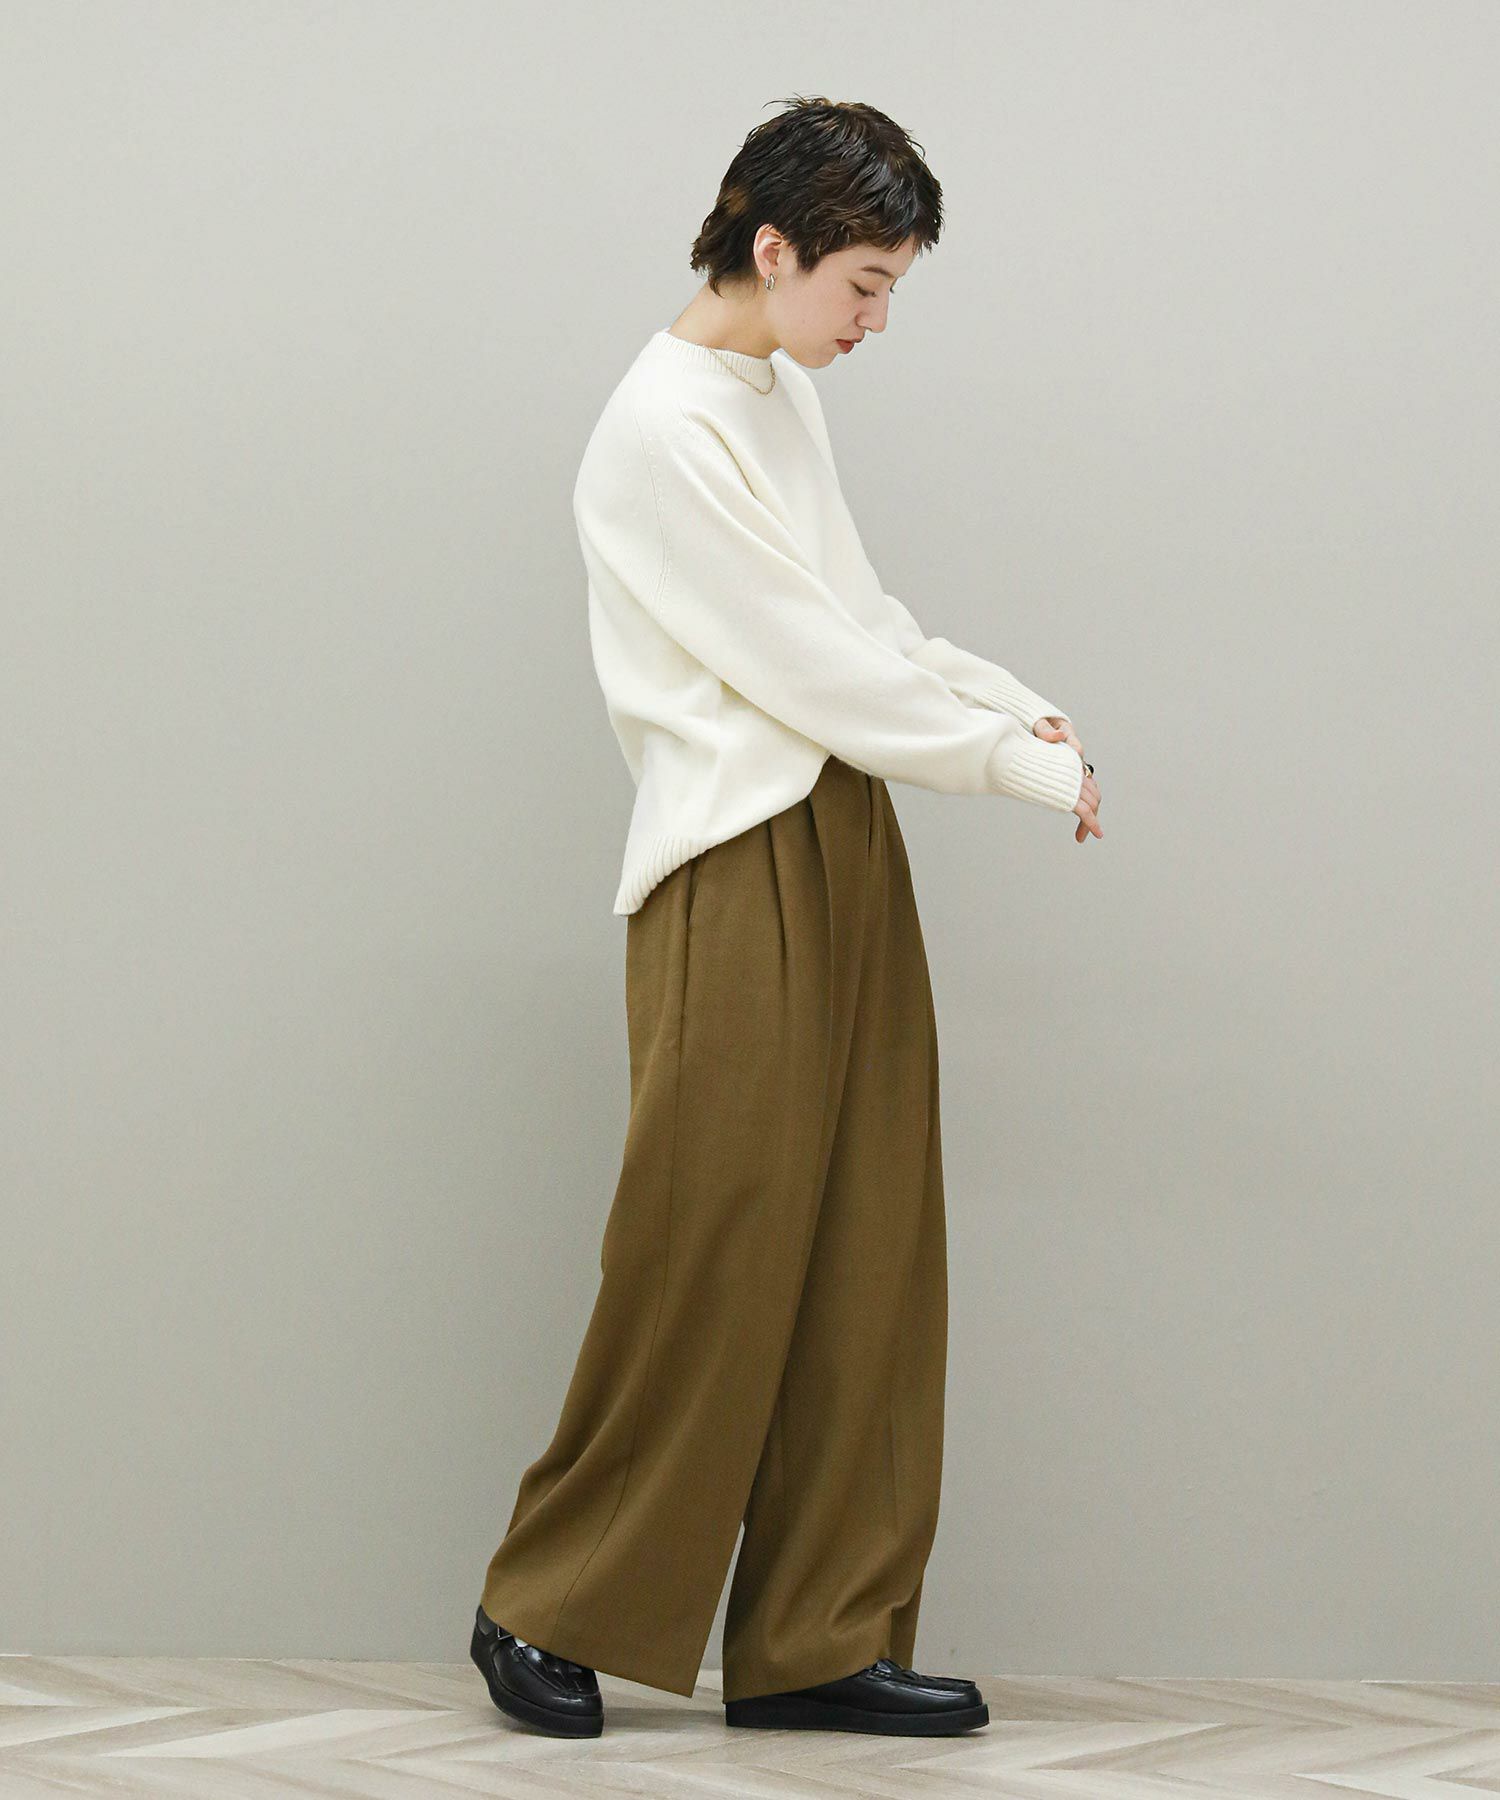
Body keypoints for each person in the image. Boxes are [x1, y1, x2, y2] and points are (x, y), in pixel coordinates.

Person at [470, 94, 1103, 1742]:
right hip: (731, 858)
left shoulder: (775, 395)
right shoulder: (657, 430)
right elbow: (803, 665)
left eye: (891, 288)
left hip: (841, 829)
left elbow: (856, 614)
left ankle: (819, 1636)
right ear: (774, 246)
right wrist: (998, 763)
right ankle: (542, 1599)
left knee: (869, 1240)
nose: (877, 321)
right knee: (710, 1241)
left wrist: (1002, 699)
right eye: (866, 284)